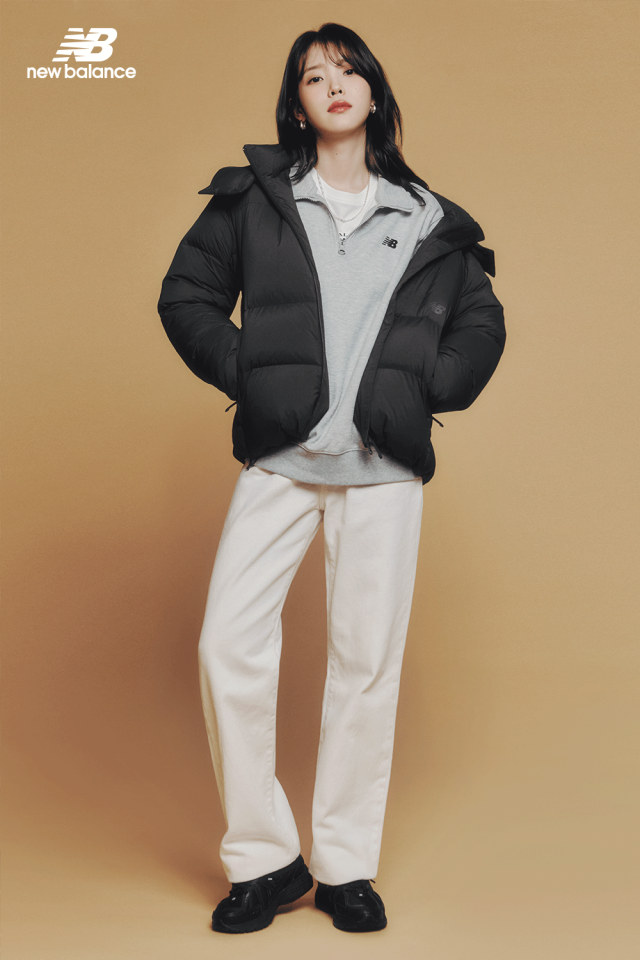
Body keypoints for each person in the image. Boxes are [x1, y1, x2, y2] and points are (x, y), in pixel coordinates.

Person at [157, 22, 506, 935]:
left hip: (383, 471)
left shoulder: (428, 219)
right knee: (227, 646)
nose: (334, 84)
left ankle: (346, 867)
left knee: (365, 664)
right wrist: (250, 373)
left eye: (349, 71)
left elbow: (482, 323)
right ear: (298, 103)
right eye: (315, 76)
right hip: (281, 459)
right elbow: (186, 295)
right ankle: (265, 860)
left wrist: (432, 385)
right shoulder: (256, 200)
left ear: (375, 94)